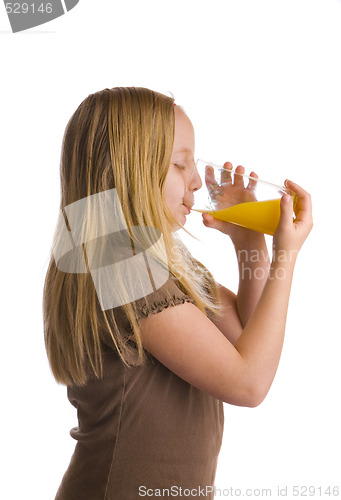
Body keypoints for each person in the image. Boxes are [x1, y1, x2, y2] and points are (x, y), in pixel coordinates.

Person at [43, 87, 313, 500]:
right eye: (181, 165)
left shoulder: (162, 259)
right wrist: (285, 257)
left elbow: (247, 340)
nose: (194, 182)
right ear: (130, 169)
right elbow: (249, 383)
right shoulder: (121, 262)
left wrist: (249, 243)